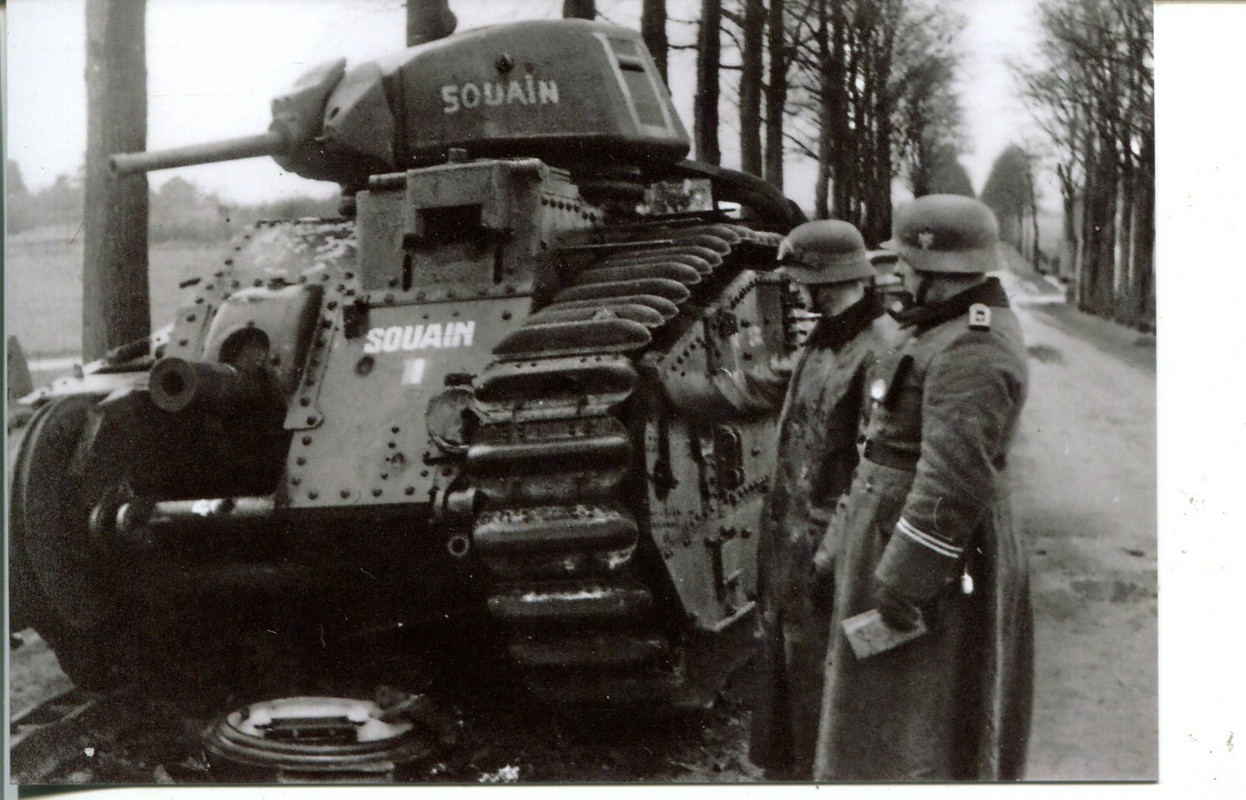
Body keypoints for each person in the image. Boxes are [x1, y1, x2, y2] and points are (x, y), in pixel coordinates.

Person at [811, 195, 1033, 781]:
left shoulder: (973, 343)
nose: (897, 270)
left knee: (916, 730)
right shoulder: (940, 329)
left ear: (940, 266)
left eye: (907, 258)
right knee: (884, 721)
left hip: (926, 561)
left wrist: (901, 587)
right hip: (892, 538)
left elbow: (953, 480)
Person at [749, 219, 890, 780]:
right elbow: (767, 383)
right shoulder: (827, 336)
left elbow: (873, 466)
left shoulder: (877, 347)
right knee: (790, 663)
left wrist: (833, 552)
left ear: (824, 280)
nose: (796, 291)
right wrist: (673, 389)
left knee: (824, 673)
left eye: (802, 280)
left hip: (830, 543)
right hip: (792, 538)